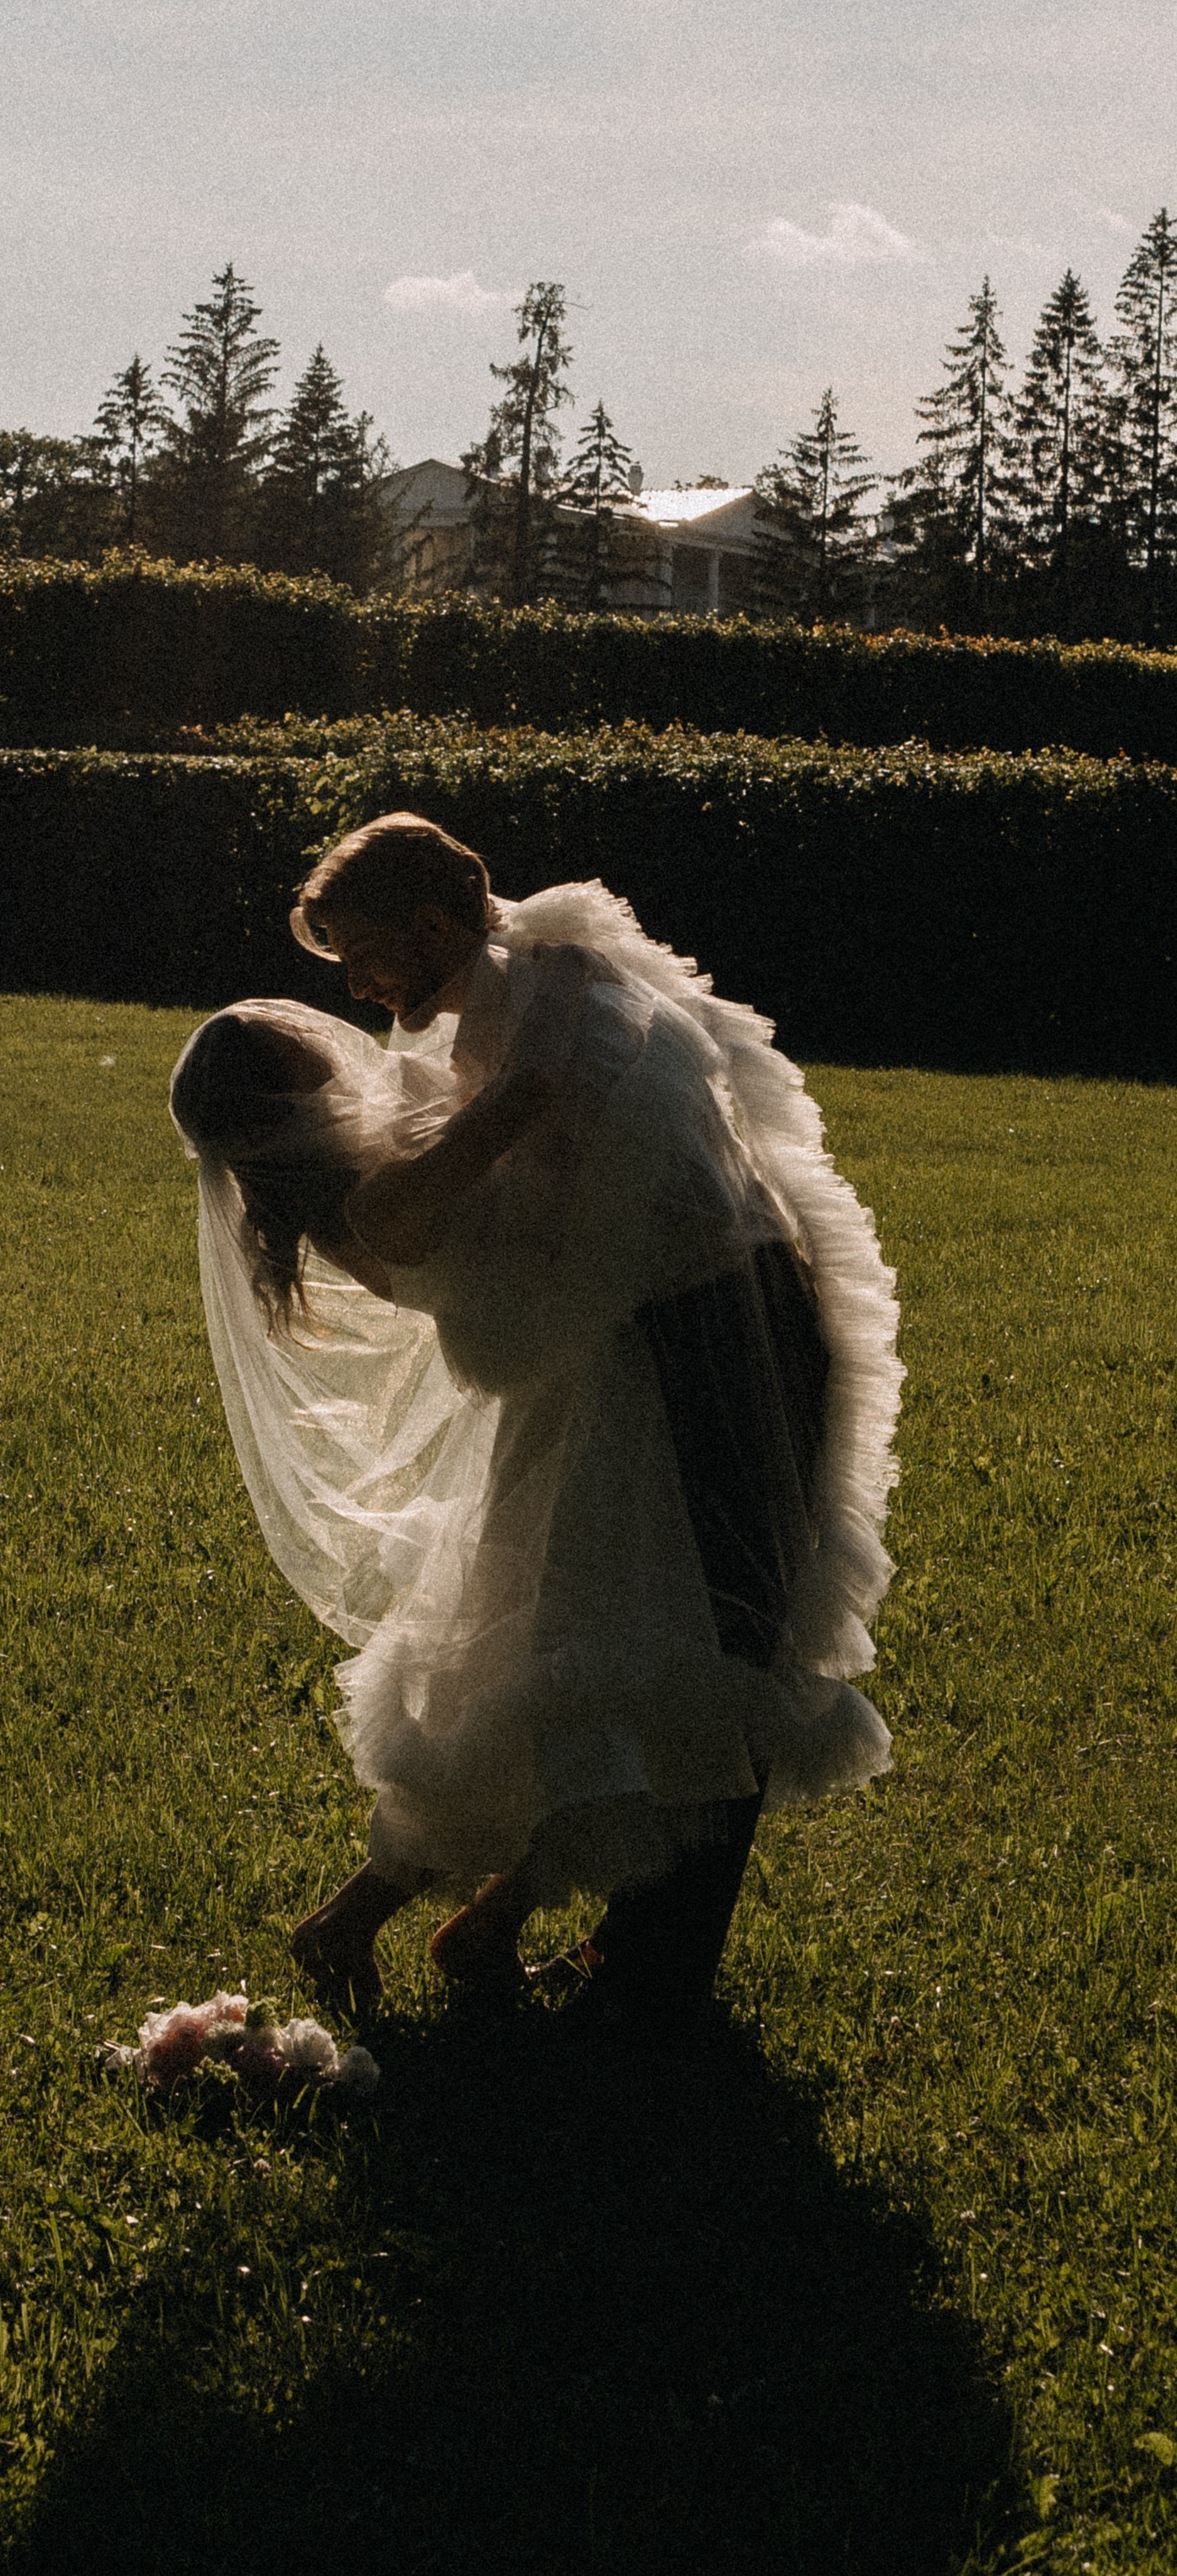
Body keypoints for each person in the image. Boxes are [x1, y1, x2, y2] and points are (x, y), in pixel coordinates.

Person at [168, 813, 901, 2032]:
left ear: (432, 926)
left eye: (363, 958)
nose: (354, 1002)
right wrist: (547, 981)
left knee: (601, 1649)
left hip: (649, 1353)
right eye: (335, 991)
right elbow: (525, 1123)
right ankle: (605, 1958)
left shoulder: (444, 1073)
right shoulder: (380, 1187)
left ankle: (505, 1925)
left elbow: (566, 1127)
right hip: (652, 1364)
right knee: (667, 1645)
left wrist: (537, 975)